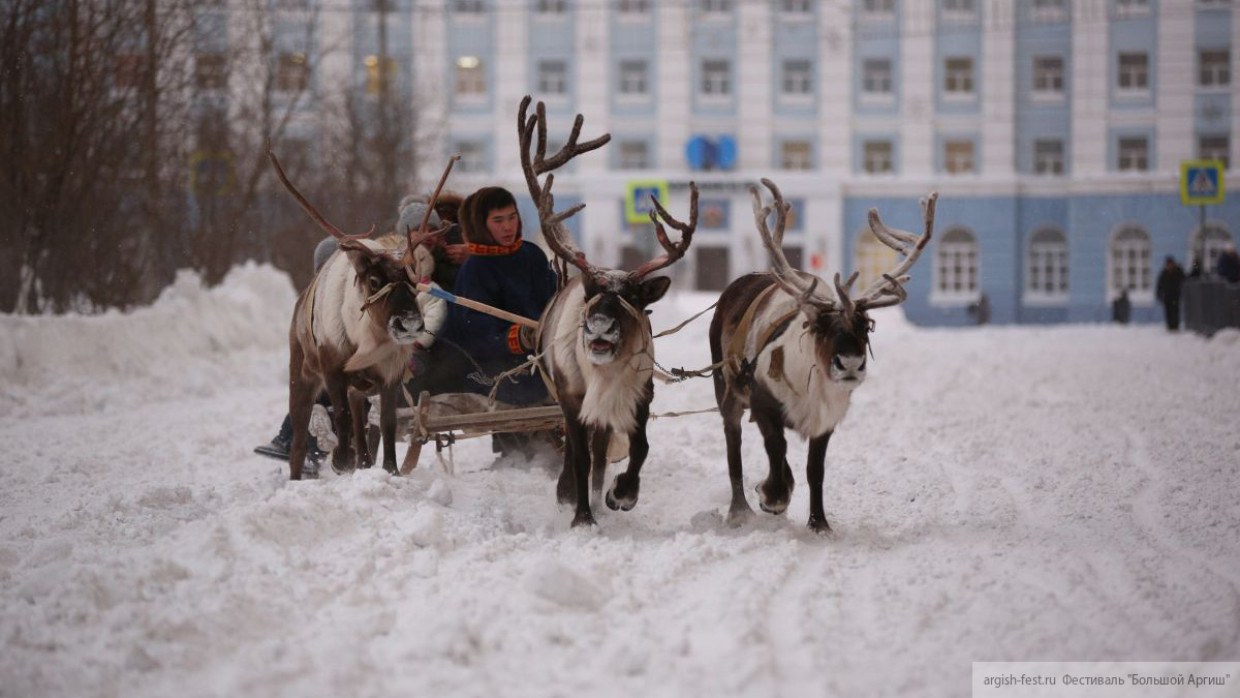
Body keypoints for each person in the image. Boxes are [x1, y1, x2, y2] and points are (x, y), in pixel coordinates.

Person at [254, 196, 452, 470]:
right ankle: (307, 437)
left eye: (432, 230)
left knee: (344, 376)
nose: (426, 236)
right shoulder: (390, 256)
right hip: (391, 338)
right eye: (419, 229)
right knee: (333, 369)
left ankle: (314, 435)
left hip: (419, 345)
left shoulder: (446, 259)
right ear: (404, 231)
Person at [1155, 256, 1186, 331]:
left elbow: (1184, 281)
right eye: (1168, 264)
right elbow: (1159, 285)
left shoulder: (1178, 272)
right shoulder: (1164, 273)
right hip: (1167, 296)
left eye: (1171, 264)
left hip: (1176, 295)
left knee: (1175, 311)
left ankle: (1175, 326)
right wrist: (1159, 295)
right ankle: (1170, 326)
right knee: (1168, 312)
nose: (1169, 266)